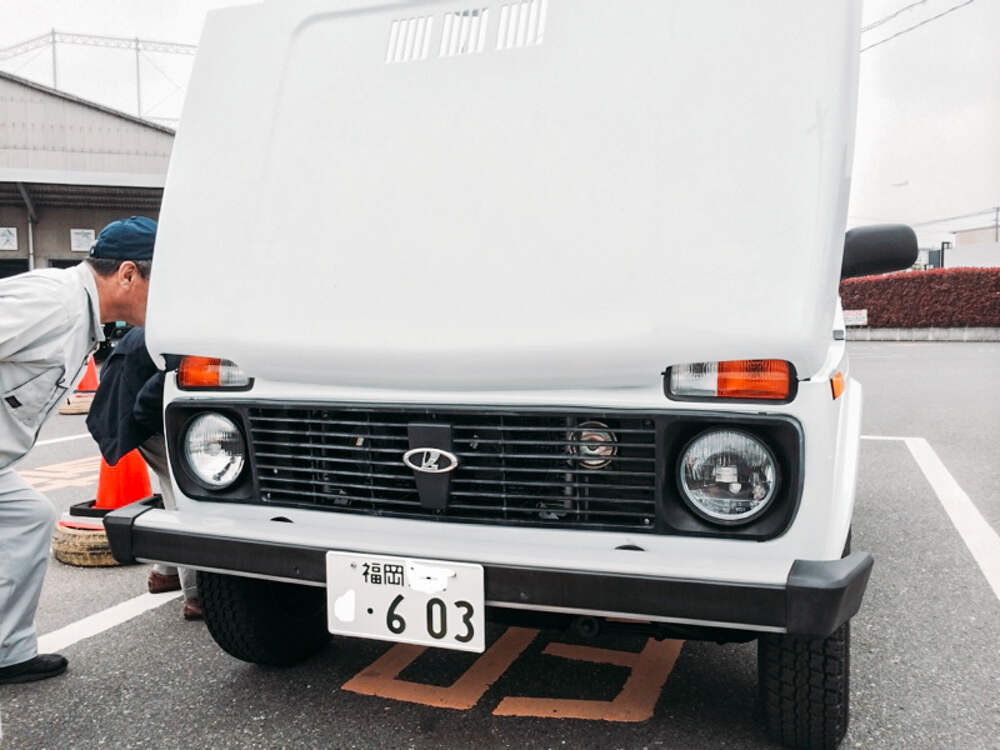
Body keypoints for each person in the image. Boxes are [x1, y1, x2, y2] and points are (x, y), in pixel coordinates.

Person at [0, 216, 156, 684]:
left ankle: (8, 652)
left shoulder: (80, 316)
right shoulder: (52, 303)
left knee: (29, 516)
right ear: (127, 274)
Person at [85, 327, 200, 619]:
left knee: (174, 490)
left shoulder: (183, 327)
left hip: (140, 397)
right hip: (143, 410)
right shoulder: (188, 339)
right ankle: (198, 595)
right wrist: (177, 444)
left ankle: (165, 573)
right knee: (186, 498)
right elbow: (147, 405)